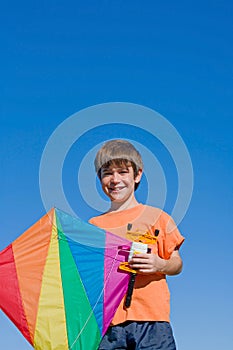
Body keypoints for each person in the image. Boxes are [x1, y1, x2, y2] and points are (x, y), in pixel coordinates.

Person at [89, 139, 184, 350]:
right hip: (108, 326)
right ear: (100, 178)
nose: (115, 180)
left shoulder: (157, 217)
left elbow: (177, 263)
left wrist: (159, 265)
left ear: (137, 175)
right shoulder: (92, 226)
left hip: (152, 321)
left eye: (123, 172)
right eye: (107, 173)